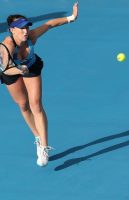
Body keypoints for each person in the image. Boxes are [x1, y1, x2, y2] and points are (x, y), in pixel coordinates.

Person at [0, 2, 79, 167]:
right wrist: (19, 69)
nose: (25, 31)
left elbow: (49, 24)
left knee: (36, 104)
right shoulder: (6, 46)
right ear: (11, 30)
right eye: (21, 28)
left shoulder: (32, 36)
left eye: (27, 27)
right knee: (23, 105)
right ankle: (37, 136)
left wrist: (71, 17)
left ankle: (43, 146)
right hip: (11, 72)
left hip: (30, 66)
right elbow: (7, 68)